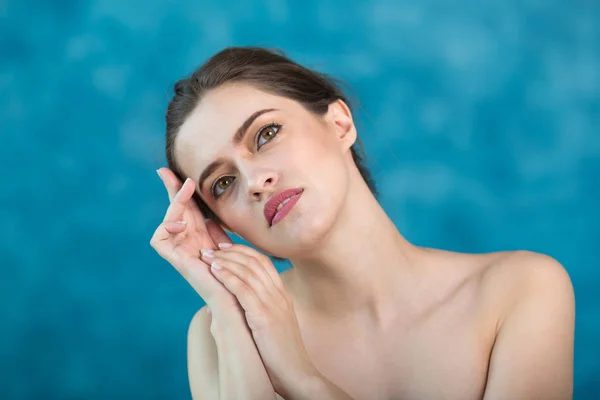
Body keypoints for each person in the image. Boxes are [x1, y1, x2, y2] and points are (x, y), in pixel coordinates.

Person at [150, 47, 575, 400]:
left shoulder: (521, 289)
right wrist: (232, 313)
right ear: (221, 222)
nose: (254, 181)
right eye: (223, 183)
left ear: (339, 123)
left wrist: (300, 378)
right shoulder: (215, 333)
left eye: (266, 134)